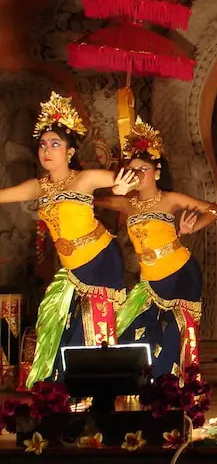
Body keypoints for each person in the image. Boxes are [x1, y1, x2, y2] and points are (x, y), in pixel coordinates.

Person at [0, 92, 135, 388]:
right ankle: (59, 395)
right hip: (72, 270)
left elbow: (124, 178)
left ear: (70, 151)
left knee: (91, 329)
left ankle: (95, 395)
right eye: (43, 145)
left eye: (56, 144)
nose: (47, 150)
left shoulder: (83, 179)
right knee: (53, 324)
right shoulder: (39, 186)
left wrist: (123, 186)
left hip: (100, 261)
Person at [95, 118, 217, 378]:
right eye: (133, 169)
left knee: (176, 334)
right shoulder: (126, 203)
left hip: (180, 272)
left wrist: (192, 228)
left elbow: (215, 210)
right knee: (130, 328)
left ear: (157, 172)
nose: (137, 175)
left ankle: (173, 390)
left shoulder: (170, 199)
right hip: (148, 279)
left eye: (144, 169)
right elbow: (91, 199)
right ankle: (141, 386)